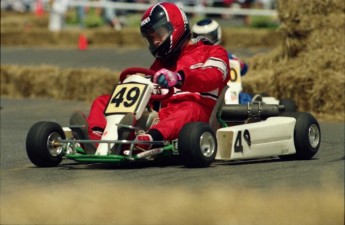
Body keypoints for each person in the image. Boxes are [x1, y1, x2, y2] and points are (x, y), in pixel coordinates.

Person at [70, 2, 230, 152]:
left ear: (176, 27)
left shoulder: (212, 52)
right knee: (102, 101)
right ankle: (95, 138)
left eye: (159, 34)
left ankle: (147, 140)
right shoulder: (161, 63)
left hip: (196, 113)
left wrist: (179, 77)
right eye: (150, 38)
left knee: (188, 109)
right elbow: (152, 91)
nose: (156, 41)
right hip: (161, 115)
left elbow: (214, 76)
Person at [191, 18, 251, 104]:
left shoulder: (226, 55)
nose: (205, 41)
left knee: (245, 99)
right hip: (203, 98)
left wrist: (240, 65)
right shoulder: (191, 57)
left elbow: (244, 68)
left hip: (227, 97)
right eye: (201, 37)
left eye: (209, 37)